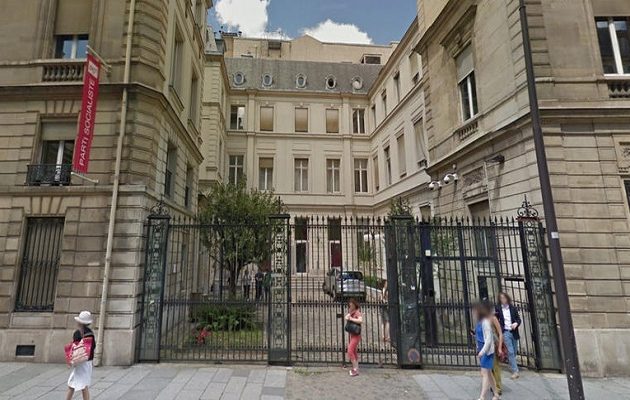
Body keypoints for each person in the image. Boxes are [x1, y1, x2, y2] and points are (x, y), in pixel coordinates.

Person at [66, 311, 96, 400]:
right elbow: (93, 347)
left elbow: (74, 347)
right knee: (74, 384)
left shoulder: (77, 333)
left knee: (81, 385)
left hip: (80, 362)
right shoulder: (90, 333)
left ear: (79, 322)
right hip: (87, 362)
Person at [475, 303, 499, 400]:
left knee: (484, 373)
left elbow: (488, 340)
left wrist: (482, 352)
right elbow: (479, 336)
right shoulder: (479, 321)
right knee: (489, 374)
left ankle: (482, 397)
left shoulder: (485, 322)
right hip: (481, 349)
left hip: (487, 351)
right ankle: (496, 394)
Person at [496, 292, 521, 379]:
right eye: (501, 298)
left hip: (514, 332)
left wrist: (516, 323)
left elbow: (518, 319)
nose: (503, 299)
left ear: (507, 298)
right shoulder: (498, 308)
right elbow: (496, 319)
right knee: (510, 351)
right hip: (505, 332)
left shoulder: (513, 308)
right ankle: (515, 371)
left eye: (504, 298)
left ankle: (510, 361)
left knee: (514, 351)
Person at [345, 298, 363, 377]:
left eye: (352, 305)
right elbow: (346, 317)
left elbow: (360, 320)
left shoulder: (357, 312)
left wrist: (351, 319)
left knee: (350, 350)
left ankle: (355, 369)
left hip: (356, 335)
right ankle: (356, 368)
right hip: (352, 334)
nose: (351, 307)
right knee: (354, 351)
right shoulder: (351, 312)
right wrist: (348, 317)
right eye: (350, 306)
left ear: (355, 305)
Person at [490, 305, 505, 395]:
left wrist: (499, 348)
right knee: (489, 368)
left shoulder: (493, 318)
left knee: (495, 367)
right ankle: (493, 384)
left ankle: (498, 387)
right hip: (486, 346)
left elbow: (500, 333)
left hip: (494, 345)